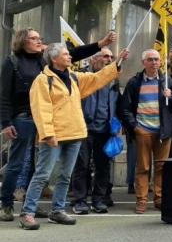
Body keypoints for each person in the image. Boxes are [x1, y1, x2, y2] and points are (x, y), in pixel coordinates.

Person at [0, 28, 116, 222]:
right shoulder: (12, 62)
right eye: (34, 38)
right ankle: (7, 205)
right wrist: (5, 122)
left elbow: (73, 54)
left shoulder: (43, 60)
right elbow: (3, 95)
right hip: (24, 117)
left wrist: (100, 44)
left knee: (38, 166)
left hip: (49, 118)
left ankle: (32, 206)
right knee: (17, 164)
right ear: (22, 41)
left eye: (40, 38)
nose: (39, 41)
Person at [18, 43, 127, 230]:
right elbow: (40, 109)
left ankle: (57, 210)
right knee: (42, 175)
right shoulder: (43, 80)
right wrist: (48, 134)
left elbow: (97, 78)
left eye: (69, 54)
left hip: (75, 133)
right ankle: (27, 212)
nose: (70, 57)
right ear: (54, 59)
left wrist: (116, 64)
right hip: (54, 136)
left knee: (66, 176)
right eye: (66, 54)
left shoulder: (75, 77)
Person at [120, 49, 172, 214]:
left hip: (163, 131)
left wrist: (170, 96)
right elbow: (125, 108)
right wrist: (135, 127)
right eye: (150, 60)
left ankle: (159, 199)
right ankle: (142, 200)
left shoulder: (167, 82)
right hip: (142, 130)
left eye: (157, 60)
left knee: (162, 167)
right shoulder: (135, 82)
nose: (154, 63)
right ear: (143, 62)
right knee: (143, 167)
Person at [71, 48, 121, 215]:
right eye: (105, 56)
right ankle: (80, 200)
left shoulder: (113, 79)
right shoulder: (81, 77)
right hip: (83, 128)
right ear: (93, 60)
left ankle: (99, 199)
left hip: (105, 129)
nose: (109, 59)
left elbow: (116, 103)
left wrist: (116, 123)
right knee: (82, 165)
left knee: (103, 166)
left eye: (111, 57)